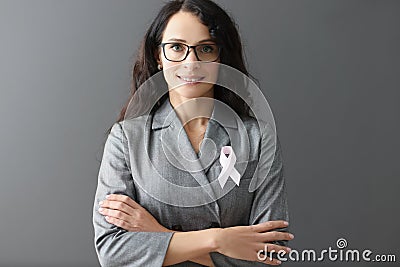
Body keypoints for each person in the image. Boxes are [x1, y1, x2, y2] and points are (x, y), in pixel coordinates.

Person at [92, 0, 293, 266]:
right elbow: (112, 250)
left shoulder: (258, 139)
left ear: (221, 58)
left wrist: (158, 234)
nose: (191, 62)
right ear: (158, 56)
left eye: (206, 49)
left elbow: (271, 252)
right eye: (176, 47)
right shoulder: (127, 139)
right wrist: (218, 240)